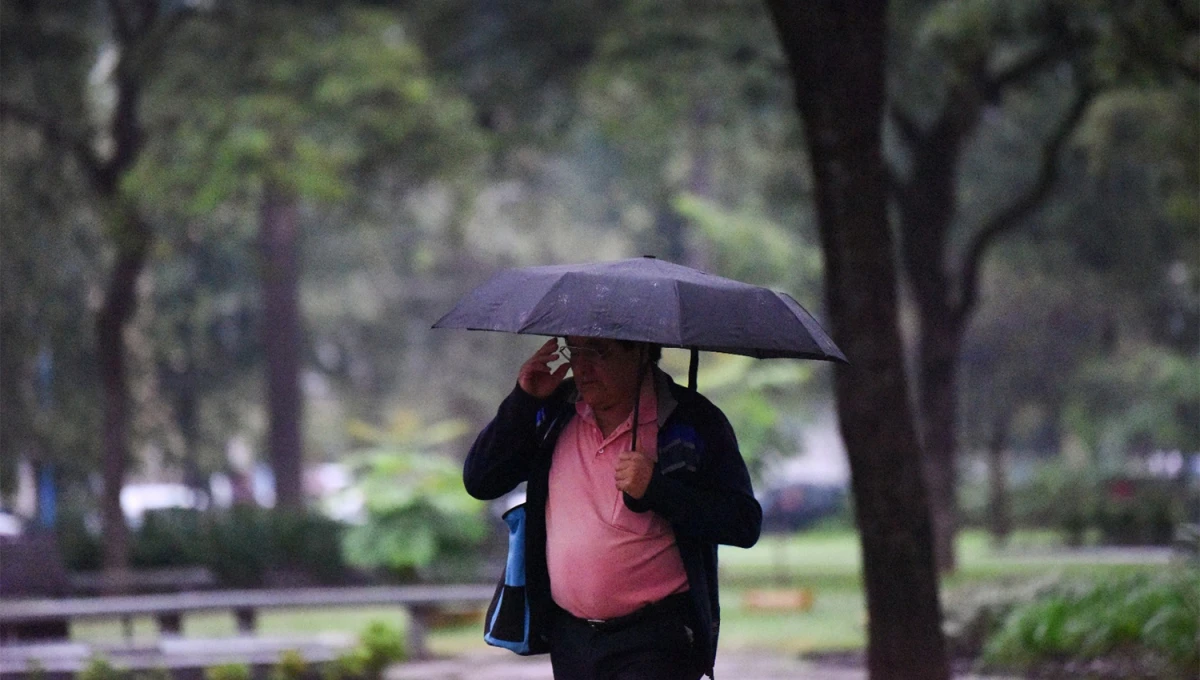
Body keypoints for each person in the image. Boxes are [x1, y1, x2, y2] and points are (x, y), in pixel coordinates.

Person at [464, 336, 762, 680]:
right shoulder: (555, 411)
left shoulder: (692, 420)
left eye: (599, 352)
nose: (582, 367)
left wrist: (658, 490)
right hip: (571, 639)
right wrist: (524, 399)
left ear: (640, 350)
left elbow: (743, 523)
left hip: (656, 640)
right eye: (574, 351)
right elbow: (481, 480)